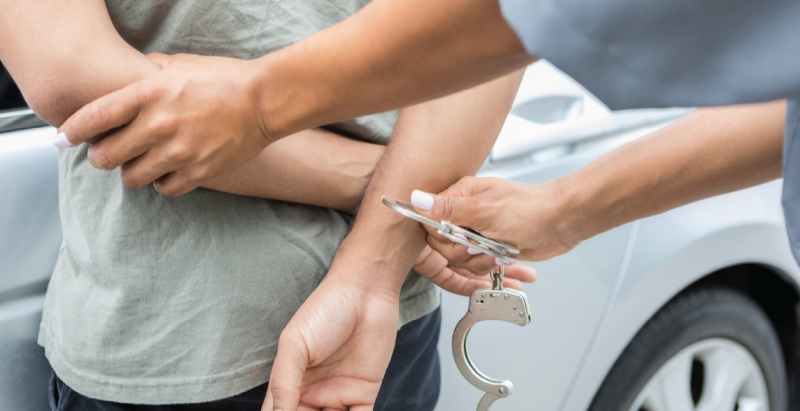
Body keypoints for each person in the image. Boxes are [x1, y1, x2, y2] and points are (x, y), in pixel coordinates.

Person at [44, 0, 799, 410]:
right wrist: (385, 206)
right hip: (215, 336)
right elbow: (75, 80)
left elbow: (522, 19)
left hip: (370, 320)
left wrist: (257, 105)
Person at [0, 1, 535, 411]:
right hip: (371, 299)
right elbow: (78, 85)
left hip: (198, 326)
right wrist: (392, 200)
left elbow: (501, 22)